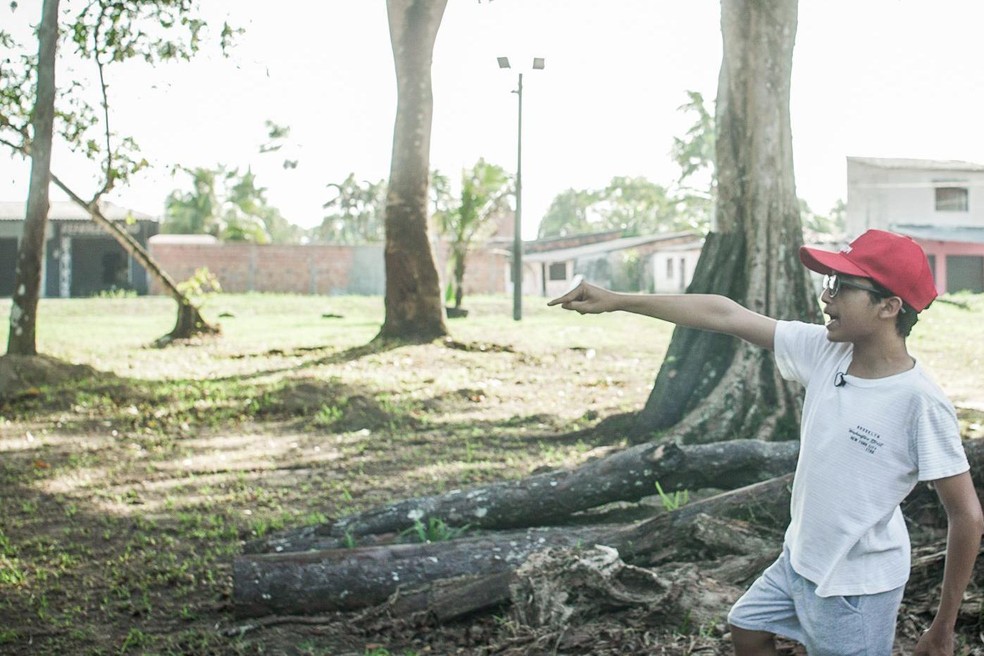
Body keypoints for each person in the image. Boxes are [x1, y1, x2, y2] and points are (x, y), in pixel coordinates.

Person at [548, 229, 983, 656]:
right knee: (748, 627)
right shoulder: (826, 352)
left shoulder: (919, 402)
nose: (825, 297)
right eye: (827, 283)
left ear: (889, 306)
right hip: (800, 559)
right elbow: (726, 314)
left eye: (841, 286)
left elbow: (965, 514)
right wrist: (619, 301)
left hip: (855, 586)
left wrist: (942, 627)